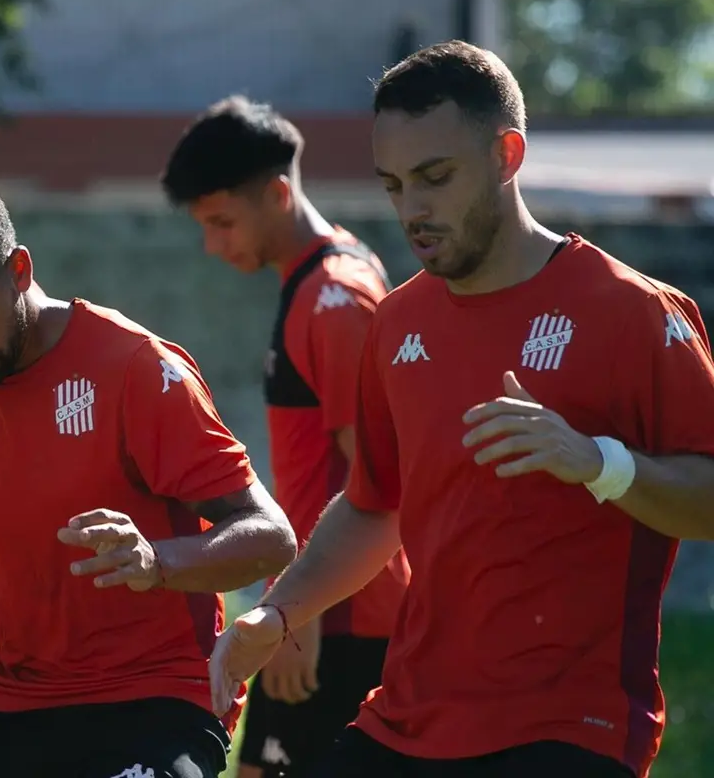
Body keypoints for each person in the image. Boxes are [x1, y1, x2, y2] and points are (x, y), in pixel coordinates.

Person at [209, 40, 714, 778]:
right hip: (409, 719)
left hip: (570, 728)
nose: (412, 209)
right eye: (393, 185)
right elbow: (374, 506)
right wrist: (277, 613)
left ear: (507, 155)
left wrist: (598, 463)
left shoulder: (635, 312)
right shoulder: (397, 321)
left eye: (435, 177)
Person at [0, 171, 299, 778]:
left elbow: (271, 535)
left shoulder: (135, 367)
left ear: (19, 269)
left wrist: (157, 561)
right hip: (16, 700)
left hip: (157, 699)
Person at [161, 95, 409, 777]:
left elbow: (379, 481)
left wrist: (301, 617)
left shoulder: (336, 299)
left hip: (340, 620)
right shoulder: (322, 281)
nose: (214, 245)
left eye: (222, 223)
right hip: (313, 608)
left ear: (277, 194)